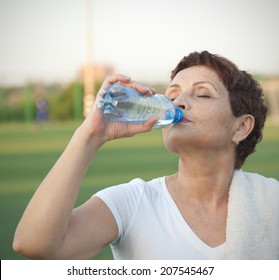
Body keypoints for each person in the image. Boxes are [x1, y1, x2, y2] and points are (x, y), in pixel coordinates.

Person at [13, 51, 279, 260]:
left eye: (202, 94)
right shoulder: (132, 202)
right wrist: (90, 135)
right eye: (172, 94)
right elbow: (34, 244)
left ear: (241, 127)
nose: (178, 102)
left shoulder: (271, 202)